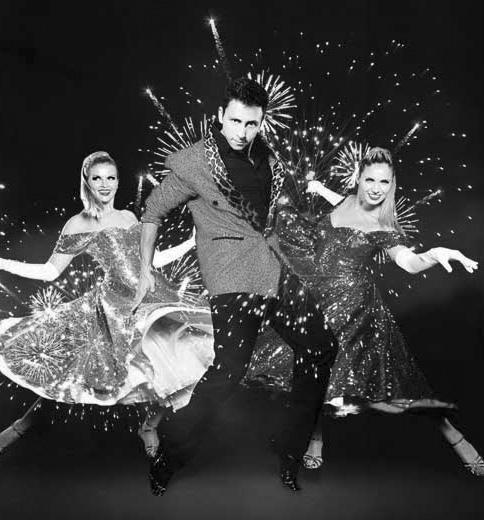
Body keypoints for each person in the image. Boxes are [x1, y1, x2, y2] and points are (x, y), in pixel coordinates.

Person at [133, 77, 337, 494]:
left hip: (272, 267)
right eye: (236, 121)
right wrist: (145, 270)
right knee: (228, 373)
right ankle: (170, 454)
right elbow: (152, 211)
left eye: (252, 123)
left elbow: (267, 215)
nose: (243, 132)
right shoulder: (195, 163)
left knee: (320, 345)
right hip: (230, 275)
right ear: (220, 116)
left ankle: (290, 448)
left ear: (262, 122)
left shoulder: (267, 156)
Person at [248, 147, 483, 475]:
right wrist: (320, 189)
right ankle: (315, 437)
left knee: (398, 383)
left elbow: (408, 262)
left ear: (392, 184)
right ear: (358, 178)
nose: (376, 188)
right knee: (313, 372)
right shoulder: (346, 200)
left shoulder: (381, 226)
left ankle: (455, 437)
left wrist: (433, 254)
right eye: (370, 180)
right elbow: (340, 204)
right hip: (318, 298)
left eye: (384, 182)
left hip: (358, 311)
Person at [0, 151, 214, 455]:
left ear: (117, 181)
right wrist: (2, 263)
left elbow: (150, 262)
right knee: (71, 371)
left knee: (182, 358)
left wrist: (190, 243)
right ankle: (22, 425)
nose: (104, 184)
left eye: (110, 178)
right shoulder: (78, 224)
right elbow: (50, 272)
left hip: (151, 299)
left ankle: (149, 425)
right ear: (86, 182)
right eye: (97, 178)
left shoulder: (128, 217)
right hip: (112, 307)